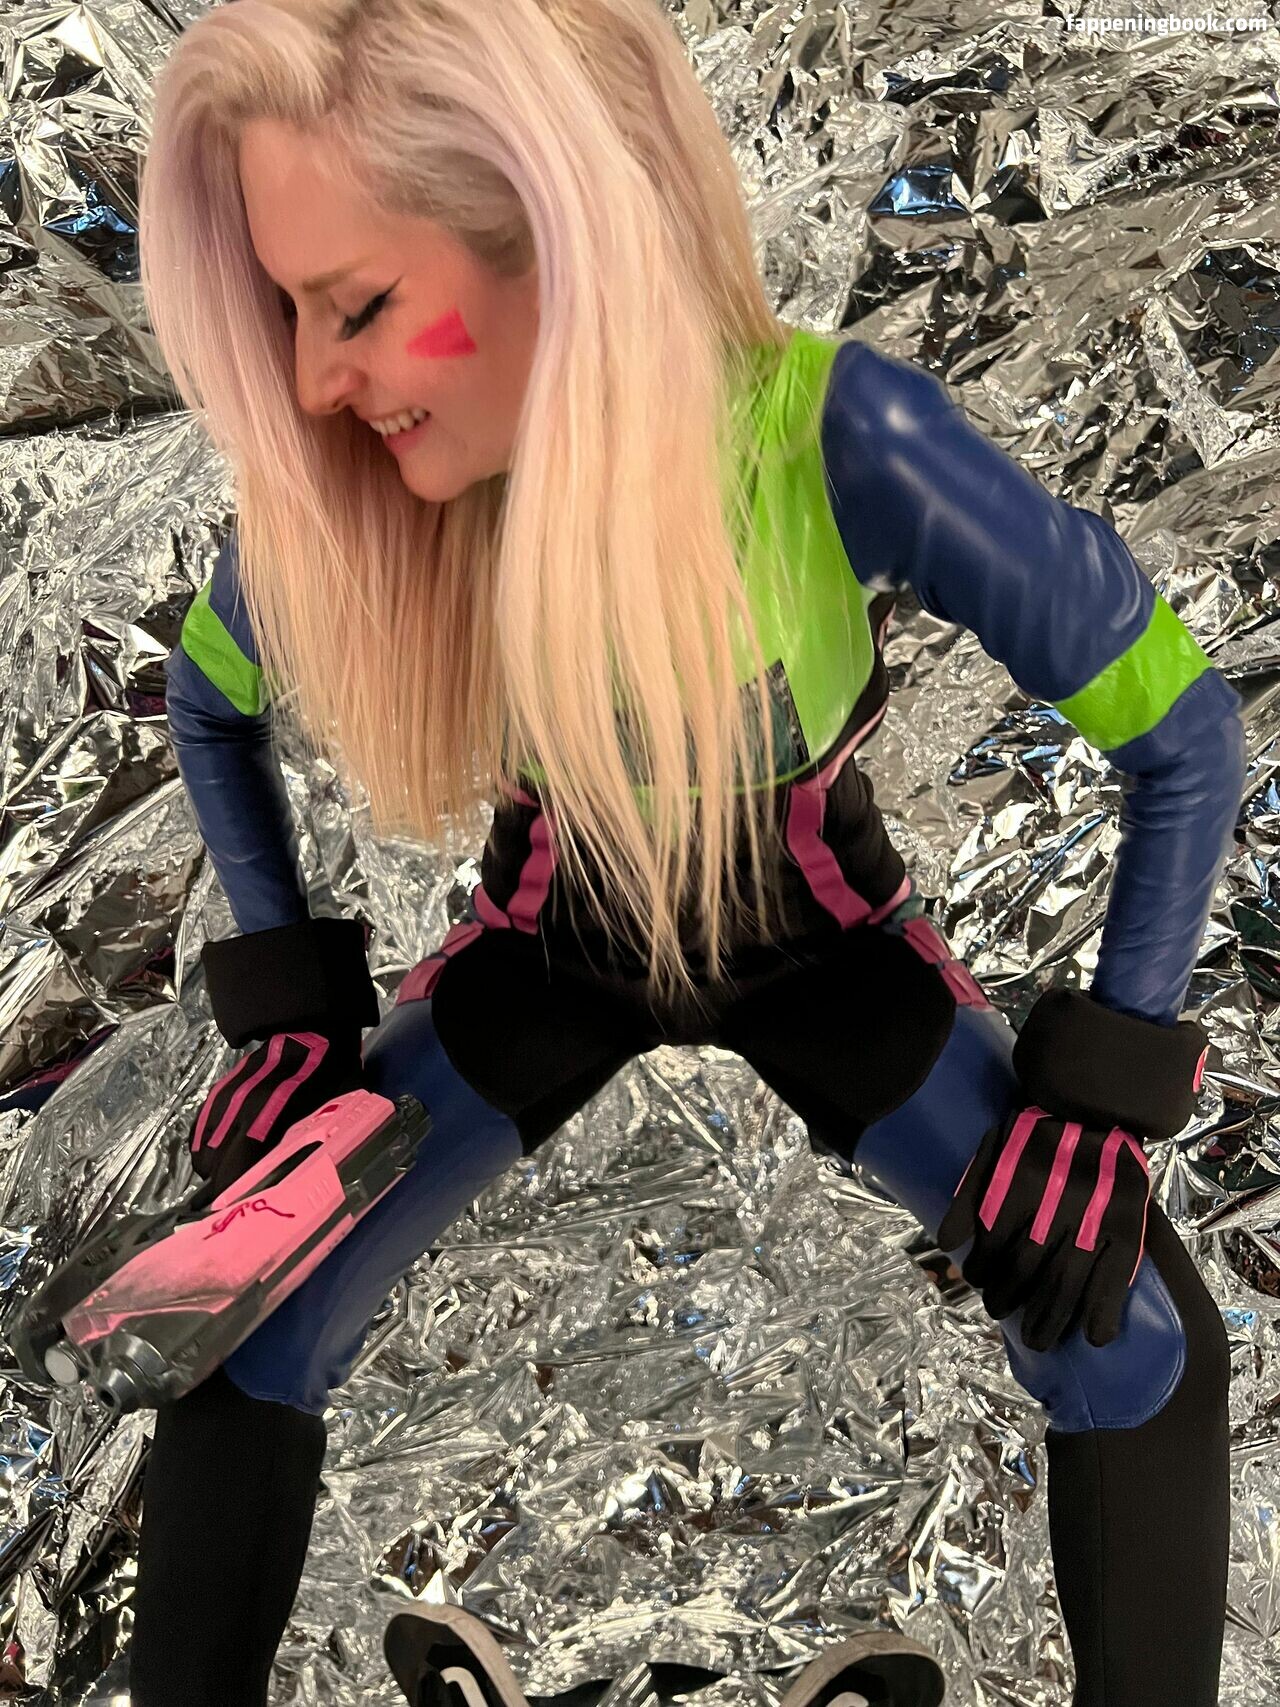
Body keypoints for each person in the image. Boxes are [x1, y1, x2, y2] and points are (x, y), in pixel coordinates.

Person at [131, 2, 1245, 1704]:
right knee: (230, 1316)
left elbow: (1188, 733)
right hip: (546, 949)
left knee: (1139, 1345)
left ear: (557, 232)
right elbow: (205, 707)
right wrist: (284, 1011)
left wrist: (1104, 1093)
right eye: (288, 313)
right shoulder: (382, 497)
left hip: (817, 949)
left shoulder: (839, 440)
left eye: (353, 307)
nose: (310, 385)